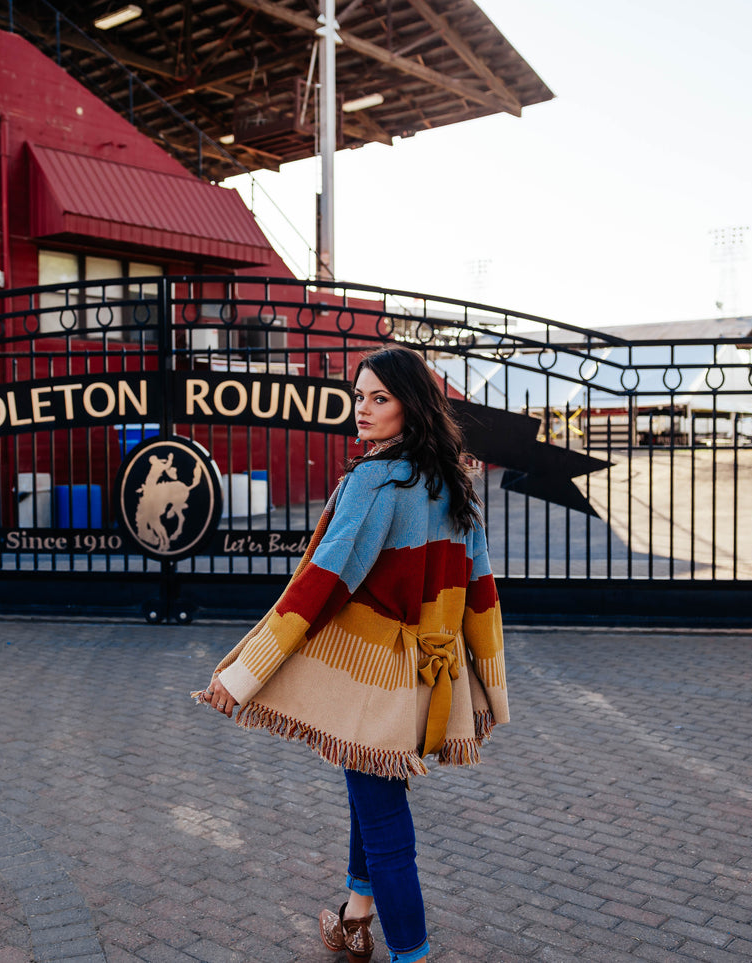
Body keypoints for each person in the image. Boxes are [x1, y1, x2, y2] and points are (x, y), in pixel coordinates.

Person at [196, 345, 508, 962]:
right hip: (429, 676)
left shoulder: (375, 480)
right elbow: (481, 592)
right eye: (359, 396)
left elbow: (323, 582)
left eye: (380, 399)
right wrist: (490, 690)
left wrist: (245, 671)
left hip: (376, 684)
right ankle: (356, 918)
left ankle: (410, 953)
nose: (362, 411)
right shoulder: (450, 482)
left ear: (411, 406)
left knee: (387, 824)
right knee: (373, 793)